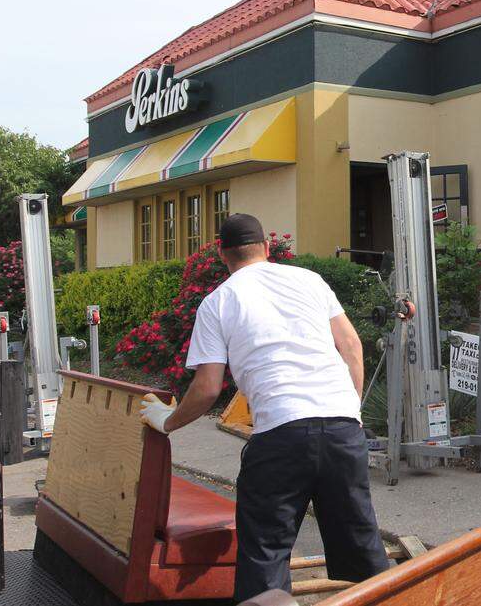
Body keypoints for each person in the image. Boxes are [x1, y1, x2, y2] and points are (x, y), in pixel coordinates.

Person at [138, 213, 390, 602]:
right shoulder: (310, 280)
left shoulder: (218, 301)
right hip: (342, 429)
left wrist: (168, 421)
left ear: (222, 254)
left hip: (281, 436)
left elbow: (207, 388)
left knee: (266, 558)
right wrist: (350, 413)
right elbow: (352, 347)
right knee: (362, 546)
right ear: (267, 248)